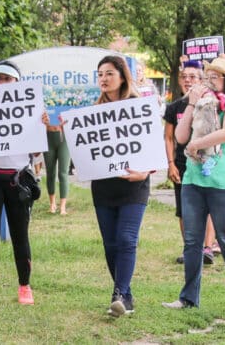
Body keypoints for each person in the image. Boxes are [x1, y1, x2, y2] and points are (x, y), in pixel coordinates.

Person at [163, 55, 225, 319]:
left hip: (224, 182)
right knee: (192, 241)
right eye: (208, 76)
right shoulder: (198, 104)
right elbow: (180, 137)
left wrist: (196, 145)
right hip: (194, 181)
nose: (209, 81)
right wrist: (191, 103)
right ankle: (188, 298)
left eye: (215, 77)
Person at [0, 60, 47, 312]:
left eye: (8, 79)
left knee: (19, 234)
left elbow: (36, 150)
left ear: (17, 82)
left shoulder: (30, 109)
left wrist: (42, 127)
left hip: (17, 180)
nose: (3, 84)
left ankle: (25, 286)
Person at [87, 56, 152, 318]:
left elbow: (153, 146)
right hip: (103, 187)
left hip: (134, 185)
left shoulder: (139, 107)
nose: (103, 79)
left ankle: (119, 295)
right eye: (100, 74)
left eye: (109, 73)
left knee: (126, 239)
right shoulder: (92, 111)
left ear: (123, 77)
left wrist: (146, 172)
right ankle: (125, 294)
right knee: (111, 244)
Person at [163, 57, 218, 265]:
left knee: (209, 207)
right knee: (184, 209)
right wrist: (170, 164)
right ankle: (189, 250)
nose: (188, 80)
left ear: (201, 79)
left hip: (207, 163)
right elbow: (168, 137)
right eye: (184, 77)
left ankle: (207, 248)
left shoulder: (211, 103)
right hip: (182, 164)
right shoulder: (175, 107)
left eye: (192, 76)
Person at [43, 122, 70, 215]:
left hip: (64, 136)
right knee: (50, 172)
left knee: (63, 172)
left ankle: (63, 206)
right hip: (48, 136)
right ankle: (52, 203)